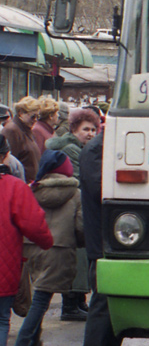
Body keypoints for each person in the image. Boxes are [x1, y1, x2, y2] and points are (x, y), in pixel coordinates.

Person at [10, 151, 83, 346]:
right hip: (58, 248)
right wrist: (80, 243)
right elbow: (80, 226)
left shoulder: (33, 188)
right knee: (42, 298)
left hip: (32, 247)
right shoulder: (75, 193)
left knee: (39, 295)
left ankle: (32, 342)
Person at [80, 131, 140, 346]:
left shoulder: (106, 146)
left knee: (112, 297)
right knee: (102, 299)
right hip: (102, 239)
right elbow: (98, 190)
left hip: (111, 237)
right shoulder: (96, 150)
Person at [0, 135, 54, 346]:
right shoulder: (14, 187)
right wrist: (47, 242)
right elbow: (34, 225)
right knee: (1, 322)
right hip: (4, 267)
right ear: (4, 156)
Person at [46, 108, 100, 320]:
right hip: (70, 209)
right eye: (85, 129)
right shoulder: (72, 150)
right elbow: (81, 179)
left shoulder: (78, 148)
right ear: (74, 129)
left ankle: (78, 302)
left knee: (79, 256)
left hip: (74, 207)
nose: (90, 133)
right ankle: (70, 305)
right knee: (75, 256)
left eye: (93, 129)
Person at [1, 96, 42, 182]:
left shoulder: (27, 130)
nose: (35, 120)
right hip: (20, 184)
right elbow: (9, 163)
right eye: (32, 116)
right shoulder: (12, 131)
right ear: (20, 113)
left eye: (38, 116)